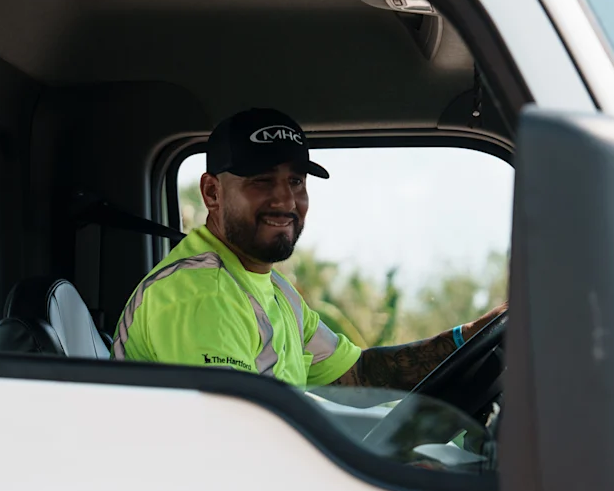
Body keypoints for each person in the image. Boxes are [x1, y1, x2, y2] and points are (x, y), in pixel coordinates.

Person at [112, 107, 504, 389]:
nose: (286, 201)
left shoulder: (271, 289)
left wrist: (468, 337)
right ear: (212, 192)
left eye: (296, 181)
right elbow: (238, 445)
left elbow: (358, 375)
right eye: (262, 181)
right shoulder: (202, 297)